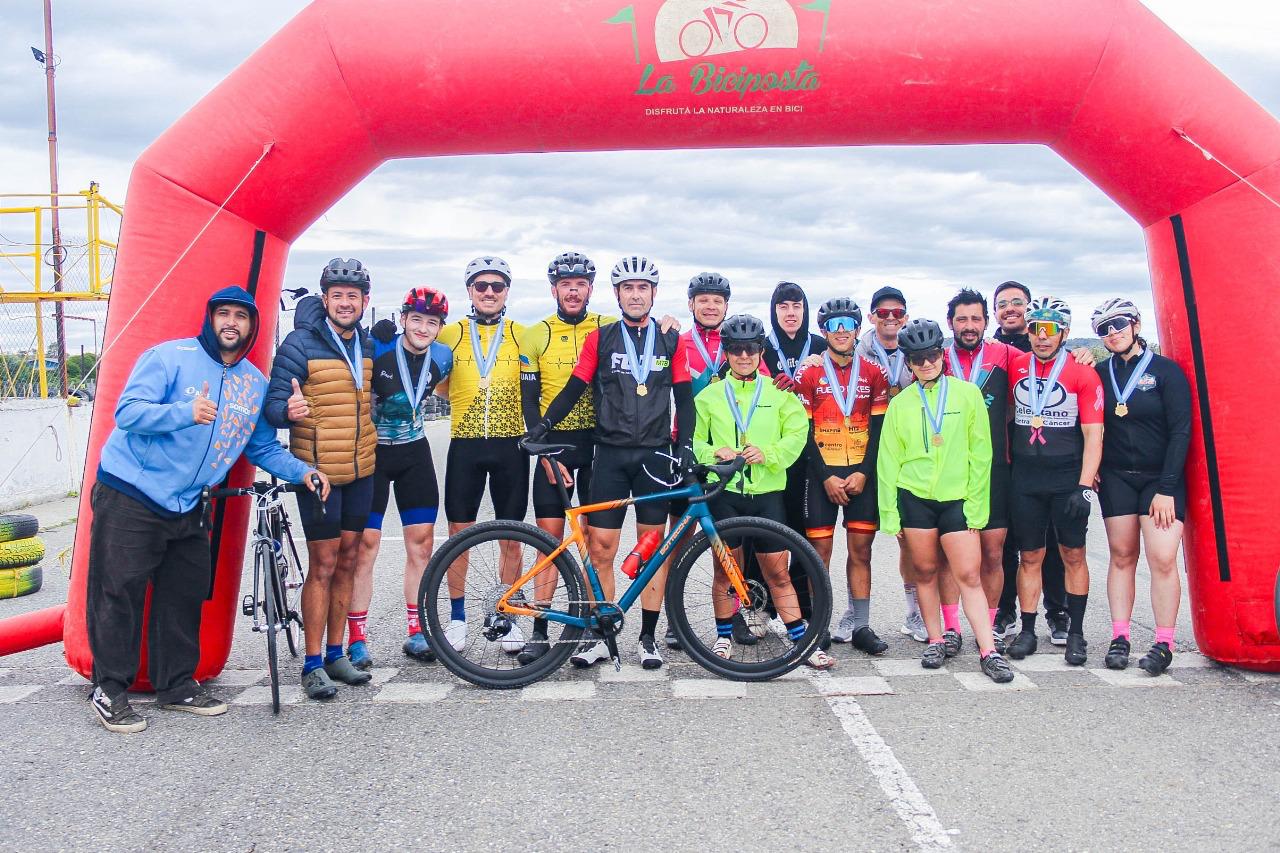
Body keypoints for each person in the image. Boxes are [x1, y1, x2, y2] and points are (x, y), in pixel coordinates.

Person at [87, 286, 329, 732]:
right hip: (131, 493)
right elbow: (128, 413)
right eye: (224, 314)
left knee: (183, 595)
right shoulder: (168, 357)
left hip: (191, 502)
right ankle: (109, 689)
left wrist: (304, 472)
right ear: (211, 318)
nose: (231, 322)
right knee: (118, 592)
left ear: (252, 327)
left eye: (241, 316)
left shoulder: (254, 383)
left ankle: (176, 685)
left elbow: (260, 447)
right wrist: (183, 412)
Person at [526, 255, 694, 670]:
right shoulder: (600, 339)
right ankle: (602, 635)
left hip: (655, 455)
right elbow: (573, 389)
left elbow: (685, 399)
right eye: (628, 289)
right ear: (617, 295)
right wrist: (542, 427)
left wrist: (686, 446)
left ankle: (648, 637)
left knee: (651, 549)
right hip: (610, 455)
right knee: (601, 549)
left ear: (654, 293)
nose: (636, 295)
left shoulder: (672, 340)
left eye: (643, 288)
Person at [877, 319, 1014, 683]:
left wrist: (977, 506)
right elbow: (888, 460)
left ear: (943, 354)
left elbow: (981, 454)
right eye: (918, 358)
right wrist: (890, 514)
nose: (926, 363)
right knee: (924, 572)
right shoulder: (900, 403)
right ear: (909, 362)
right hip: (915, 498)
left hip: (957, 499)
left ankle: (988, 650)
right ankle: (936, 640)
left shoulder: (967, 395)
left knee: (968, 575)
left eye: (932, 355)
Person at [691, 314, 831, 668]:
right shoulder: (708, 396)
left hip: (768, 494)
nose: (744, 356)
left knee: (778, 574)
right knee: (726, 572)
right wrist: (714, 453)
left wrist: (769, 454)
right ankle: (723, 638)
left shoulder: (778, 394)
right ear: (726, 352)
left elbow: (797, 434)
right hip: (725, 494)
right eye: (736, 349)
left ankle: (802, 643)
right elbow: (695, 442)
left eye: (751, 349)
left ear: (760, 352)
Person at [266, 259, 378, 699]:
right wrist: (287, 411)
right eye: (337, 295)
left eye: (353, 296)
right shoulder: (299, 343)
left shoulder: (367, 344)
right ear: (325, 298)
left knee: (349, 560)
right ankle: (312, 663)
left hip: (361, 470)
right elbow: (274, 406)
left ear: (365, 301)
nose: (345, 303)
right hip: (319, 474)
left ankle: (336, 653)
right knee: (324, 564)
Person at [348, 286, 453, 669]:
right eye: (416, 319)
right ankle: (356, 638)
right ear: (403, 319)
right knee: (365, 546)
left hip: (414, 452)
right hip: (373, 453)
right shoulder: (377, 347)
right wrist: (366, 334)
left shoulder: (443, 356)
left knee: (421, 545)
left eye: (432, 322)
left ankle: (417, 630)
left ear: (439, 328)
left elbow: (446, 388)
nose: (423, 328)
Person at [517, 252, 611, 664]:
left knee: (594, 542)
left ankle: (588, 627)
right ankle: (540, 630)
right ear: (553, 289)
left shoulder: (608, 327)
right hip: (554, 445)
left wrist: (668, 324)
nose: (573, 291)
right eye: (565, 285)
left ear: (591, 289)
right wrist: (543, 453)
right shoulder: (536, 334)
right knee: (549, 542)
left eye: (580, 285)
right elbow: (530, 401)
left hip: (597, 445)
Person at [434, 256, 530, 653]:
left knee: (511, 537)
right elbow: (438, 384)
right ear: (470, 291)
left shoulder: (523, 334)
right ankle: (457, 618)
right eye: (481, 286)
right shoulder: (449, 334)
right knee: (459, 536)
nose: (489, 292)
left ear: (506, 292)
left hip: (511, 443)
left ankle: (508, 617)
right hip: (466, 442)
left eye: (497, 286)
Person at [990, 280, 1094, 644]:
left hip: (1064, 472)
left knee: (1067, 552)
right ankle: (1020, 623)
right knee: (1023, 550)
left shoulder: (1078, 365)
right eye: (1037, 329)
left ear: (1064, 332)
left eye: (1050, 329)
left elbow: (1094, 432)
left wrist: (1085, 483)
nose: (1042, 336)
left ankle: (1067, 622)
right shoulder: (1009, 358)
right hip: (1021, 471)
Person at [1092, 298, 1191, 675]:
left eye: (1118, 324)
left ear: (1135, 324)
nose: (1112, 333)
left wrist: (1167, 487)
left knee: (1162, 558)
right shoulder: (1100, 372)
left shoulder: (1166, 372)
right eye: (1103, 329)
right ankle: (1120, 637)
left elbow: (1181, 431)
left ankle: (1164, 642)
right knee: (1121, 556)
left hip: (1160, 479)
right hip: (1117, 476)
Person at [795, 297, 891, 656]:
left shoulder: (874, 372)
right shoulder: (809, 373)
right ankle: (819, 624)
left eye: (847, 324)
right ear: (823, 331)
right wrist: (825, 477)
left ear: (857, 329)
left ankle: (861, 626)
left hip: (861, 474)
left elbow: (879, 430)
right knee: (818, 553)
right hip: (822, 474)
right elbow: (803, 431)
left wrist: (864, 472)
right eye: (833, 325)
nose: (840, 331)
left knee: (861, 551)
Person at [938, 288, 1022, 654]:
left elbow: (1048, 365)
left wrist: (1080, 355)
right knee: (949, 555)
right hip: (949, 471)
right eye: (962, 319)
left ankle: (988, 626)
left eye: (975, 319)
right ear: (950, 323)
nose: (969, 326)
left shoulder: (1004, 354)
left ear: (986, 322)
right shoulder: (938, 358)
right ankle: (951, 627)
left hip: (994, 469)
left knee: (992, 552)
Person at [854, 286, 924, 643]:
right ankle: (855, 614)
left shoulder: (919, 351)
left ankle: (914, 612)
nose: (891, 318)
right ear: (872, 317)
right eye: (883, 313)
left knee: (910, 541)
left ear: (906, 316)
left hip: (907, 454)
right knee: (860, 542)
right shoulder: (854, 350)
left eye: (898, 312)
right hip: (865, 454)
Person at [761, 281, 828, 643]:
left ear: (805, 310)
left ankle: (801, 609)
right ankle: (761, 609)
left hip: (808, 453)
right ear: (774, 311)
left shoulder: (819, 345)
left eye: (797, 306)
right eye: (783, 306)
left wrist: (822, 363)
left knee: (801, 533)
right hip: (770, 453)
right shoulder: (760, 346)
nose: (790, 313)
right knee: (765, 533)